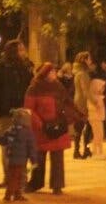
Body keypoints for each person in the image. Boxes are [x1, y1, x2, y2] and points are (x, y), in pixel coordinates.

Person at [0, 40, 34, 188]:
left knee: (21, 147)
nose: (23, 52)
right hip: (5, 113)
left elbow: (29, 88)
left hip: (22, 112)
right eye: (20, 50)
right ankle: (9, 178)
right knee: (7, 147)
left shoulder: (24, 68)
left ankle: (20, 179)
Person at [25, 62, 76, 195]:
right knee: (39, 157)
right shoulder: (34, 88)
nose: (55, 74)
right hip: (41, 129)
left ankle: (57, 185)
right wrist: (40, 124)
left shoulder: (59, 87)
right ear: (45, 73)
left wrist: (73, 116)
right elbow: (29, 109)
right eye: (52, 71)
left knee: (58, 158)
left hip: (58, 127)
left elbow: (67, 102)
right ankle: (36, 183)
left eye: (55, 71)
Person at [1, 108, 37, 203]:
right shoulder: (28, 133)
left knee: (12, 176)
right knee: (20, 178)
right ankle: (12, 195)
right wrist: (34, 160)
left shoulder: (10, 130)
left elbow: (4, 141)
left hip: (11, 158)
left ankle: (13, 194)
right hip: (21, 161)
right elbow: (31, 148)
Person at [71, 52, 95, 159]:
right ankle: (83, 149)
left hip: (78, 101)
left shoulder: (78, 72)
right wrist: (94, 102)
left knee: (80, 127)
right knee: (87, 126)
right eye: (89, 59)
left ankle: (81, 149)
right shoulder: (83, 74)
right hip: (83, 103)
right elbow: (86, 91)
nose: (91, 61)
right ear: (84, 60)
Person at [87, 73, 106, 160]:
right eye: (101, 87)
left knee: (100, 135)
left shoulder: (99, 97)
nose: (103, 89)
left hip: (99, 118)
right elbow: (93, 108)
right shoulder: (93, 98)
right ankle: (96, 151)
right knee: (97, 135)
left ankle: (100, 151)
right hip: (95, 118)